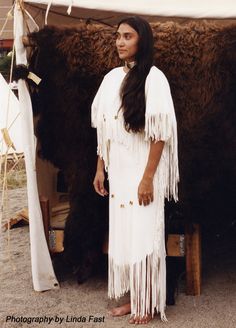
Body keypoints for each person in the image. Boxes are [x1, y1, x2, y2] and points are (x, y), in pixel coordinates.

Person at [91, 16, 179, 325]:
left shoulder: (154, 78)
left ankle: (149, 301)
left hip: (143, 171)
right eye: (118, 36)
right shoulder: (111, 79)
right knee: (125, 233)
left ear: (142, 40)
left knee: (144, 233)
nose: (120, 42)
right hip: (120, 172)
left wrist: (147, 178)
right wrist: (101, 169)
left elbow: (159, 134)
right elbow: (105, 131)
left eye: (127, 36)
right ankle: (133, 297)